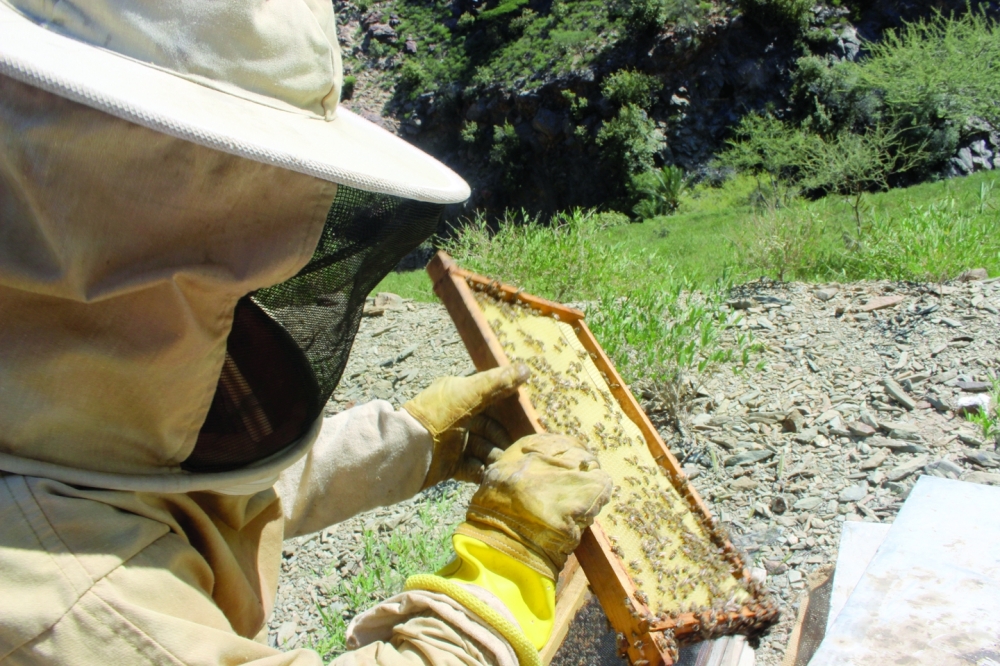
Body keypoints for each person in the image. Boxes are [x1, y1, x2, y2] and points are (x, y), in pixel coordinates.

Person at [0, 1, 613, 664]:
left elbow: (162, 492)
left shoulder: (50, 407)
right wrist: (506, 561)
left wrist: (403, 441)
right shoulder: (65, 597)